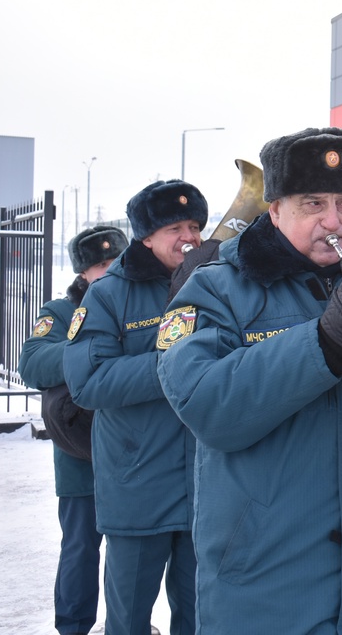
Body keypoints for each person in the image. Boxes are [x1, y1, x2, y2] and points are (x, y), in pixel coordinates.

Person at [154, 127, 342, 634]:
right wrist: (325, 343)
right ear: (275, 210)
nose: (333, 221)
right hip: (268, 590)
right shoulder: (216, 289)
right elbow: (205, 404)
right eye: (312, 203)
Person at [63, 181, 206, 635]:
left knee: (204, 616)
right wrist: (174, 365)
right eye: (175, 228)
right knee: (128, 620)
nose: (190, 236)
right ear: (146, 237)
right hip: (137, 488)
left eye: (195, 226)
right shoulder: (107, 295)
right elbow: (88, 381)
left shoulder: (212, 283)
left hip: (206, 487)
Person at [18, 226, 127, 635]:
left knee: (133, 551)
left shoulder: (143, 302)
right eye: (100, 265)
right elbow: (32, 363)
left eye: (116, 261)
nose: (110, 270)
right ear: (83, 274)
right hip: (80, 453)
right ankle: (73, 626)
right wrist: (91, 348)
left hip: (134, 453)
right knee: (81, 548)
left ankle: (128, 622)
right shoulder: (61, 313)